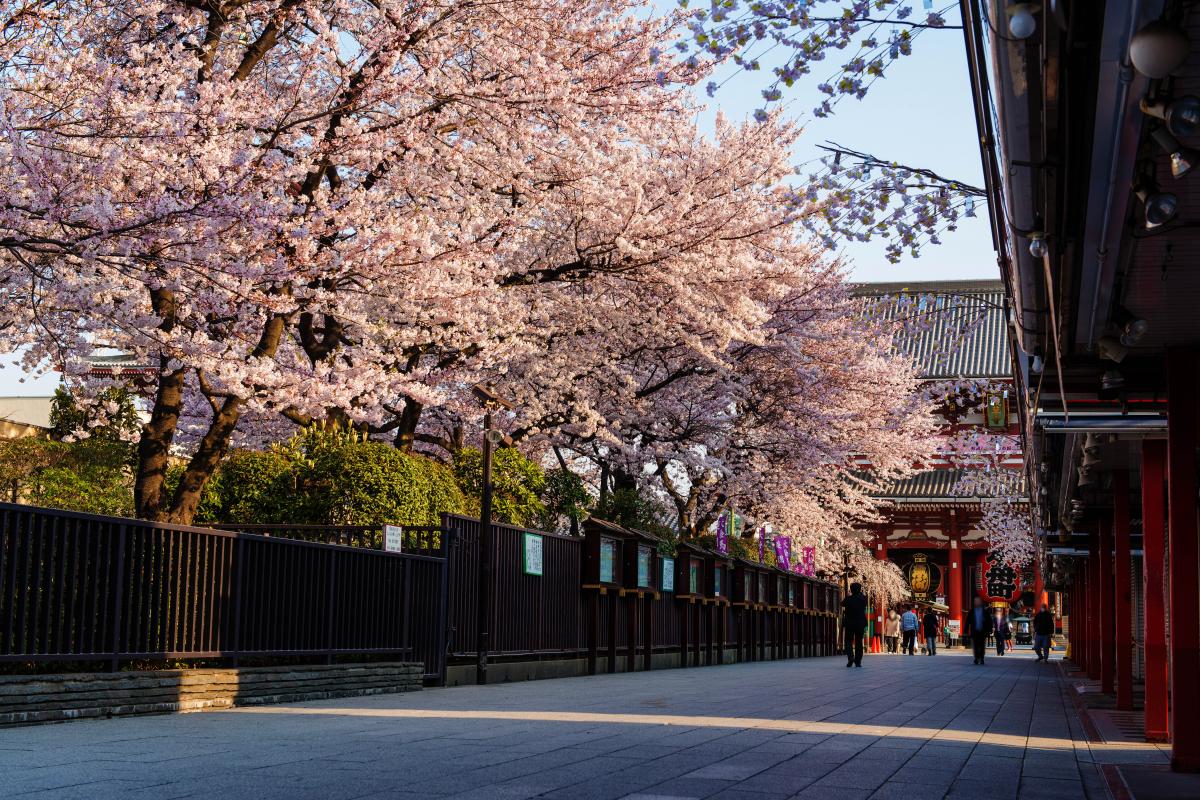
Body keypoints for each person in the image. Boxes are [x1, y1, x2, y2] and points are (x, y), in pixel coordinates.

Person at [841, 583, 868, 668]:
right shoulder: (863, 599)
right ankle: (858, 661)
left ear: (851, 590)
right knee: (859, 642)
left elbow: (842, 604)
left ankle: (850, 657)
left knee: (848, 641)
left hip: (849, 623)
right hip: (860, 623)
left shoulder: (848, 599)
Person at [964, 597, 994, 665]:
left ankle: (982, 658)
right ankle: (977, 658)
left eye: (978, 601)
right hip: (974, 631)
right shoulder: (971, 611)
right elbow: (967, 621)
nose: (976, 602)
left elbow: (989, 621)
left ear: (981, 602)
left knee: (982, 645)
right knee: (976, 645)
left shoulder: (985, 612)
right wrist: (965, 631)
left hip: (983, 631)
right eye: (975, 601)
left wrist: (990, 630)